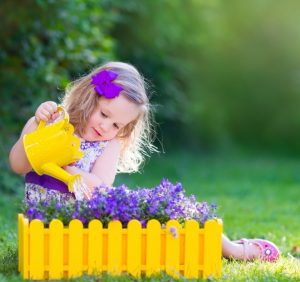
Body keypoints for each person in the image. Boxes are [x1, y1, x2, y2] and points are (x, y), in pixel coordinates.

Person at [9, 61, 280, 263]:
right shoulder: (52, 127)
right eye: (104, 114)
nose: (106, 126)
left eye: (117, 124)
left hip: (93, 219)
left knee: (167, 211)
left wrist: (65, 166)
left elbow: (100, 186)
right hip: (47, 228)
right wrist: (37, 125)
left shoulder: (108, 144)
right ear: (88, 98)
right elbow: (18, 164)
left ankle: (231, 248)